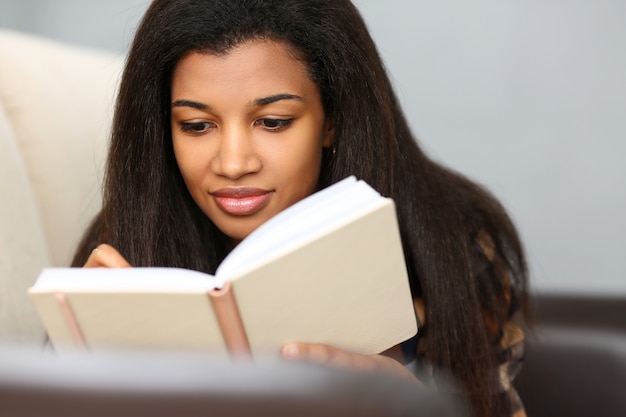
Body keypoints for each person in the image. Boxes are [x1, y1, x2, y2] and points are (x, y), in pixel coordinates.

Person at [71, 1, 529, 416]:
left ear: (331, 121)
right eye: (196, 125)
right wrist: (85, 369)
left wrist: (412, 405)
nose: (233, 164)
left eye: (273, 122)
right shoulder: (123, 245)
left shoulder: (456, 241)